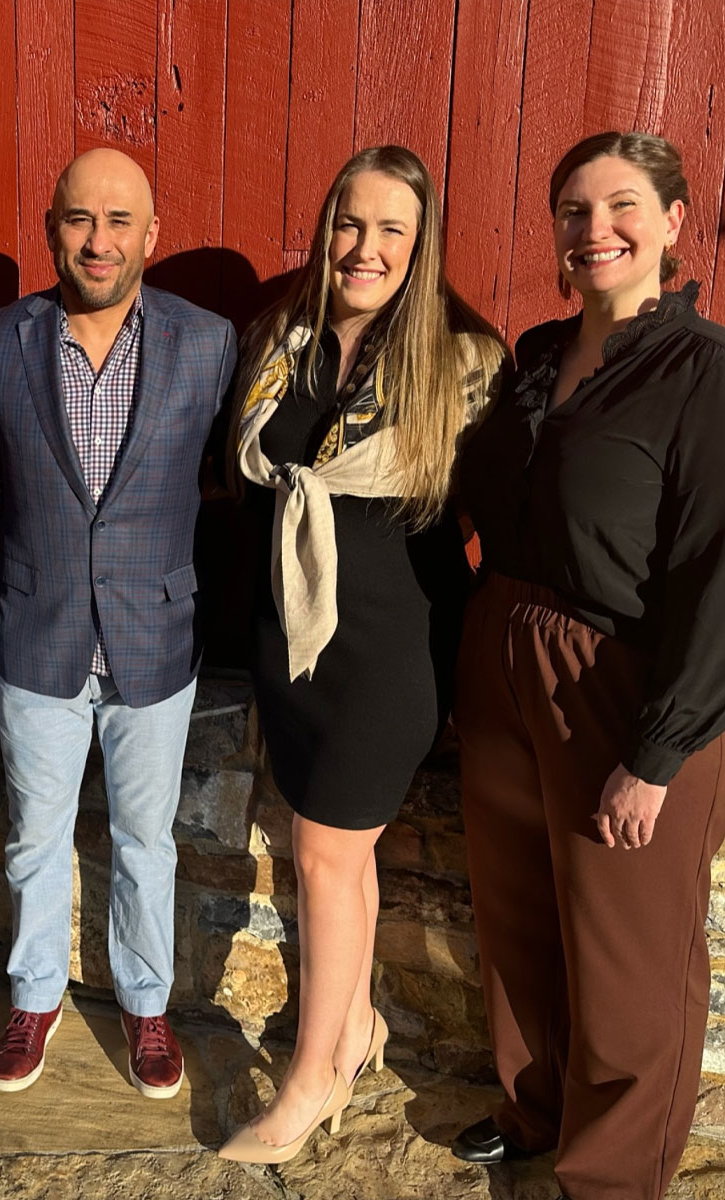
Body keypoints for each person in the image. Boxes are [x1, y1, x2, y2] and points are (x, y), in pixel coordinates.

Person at [451, 131, 725, 1200]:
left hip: (621, 682)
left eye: (620, 206)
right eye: (572, 209)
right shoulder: (533, 354)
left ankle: (611, 1177)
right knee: (516, 914)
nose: (593, 229)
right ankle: (533, 1112)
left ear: (672, 222)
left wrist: (656, 755)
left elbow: (716, 572)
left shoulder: (703, 376)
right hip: (505, 656)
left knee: (628, 958)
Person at [217, 145, 505, 1164]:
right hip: (291, 645)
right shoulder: (278, 344)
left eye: (391, 229)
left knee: (326, 854)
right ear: (325, 227)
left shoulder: (463, 360)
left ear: (421, 246)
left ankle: (313, 1078)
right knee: (341, 855)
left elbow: (506, 519)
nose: (365, 248)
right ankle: (362, 1025)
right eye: (350, 223)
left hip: (392, 650)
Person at [0, 147, 236, 1098]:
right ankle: (34, 996)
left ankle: (145, 1005)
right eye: (81, 218)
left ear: (151, 235)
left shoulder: (207, 343)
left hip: (157, 633)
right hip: (39, 628)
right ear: (51, 228)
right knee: (36, 835)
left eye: (121, 221)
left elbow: (230, 473)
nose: (100, 239)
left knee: (145, 837)